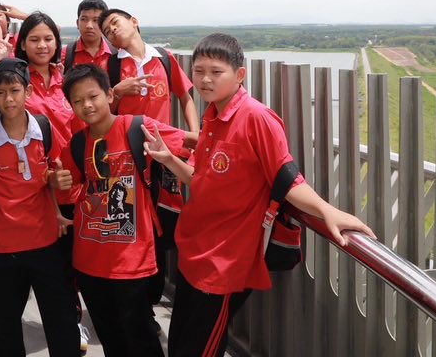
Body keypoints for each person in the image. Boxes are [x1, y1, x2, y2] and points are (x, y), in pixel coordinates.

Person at [143, 33, 375, 357]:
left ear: (239, 74)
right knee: (181, 343)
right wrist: (169, 159)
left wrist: (327, 211)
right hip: (195, 250)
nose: (205, 79)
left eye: (216, 71)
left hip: (224, 261)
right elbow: (200, 181)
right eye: (199, 71)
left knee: (199, 350)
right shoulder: (212, 114)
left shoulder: (256, 118)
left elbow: (287, 178)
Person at [0, 11, 90, 353]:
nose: (9, 99)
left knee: (60, 312)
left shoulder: (47, 119)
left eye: (15, 91)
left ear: (27, 92)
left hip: (47, 227)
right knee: (3, 319)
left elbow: (53, 168)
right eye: (1, 93)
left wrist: (57, 182)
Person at [57, 64, 198, 357]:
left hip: (132, 260)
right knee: (112, 340)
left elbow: (191, 143)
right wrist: (55, 180)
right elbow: (63, 185)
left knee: (142, 339)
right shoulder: (78, 143)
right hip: (89, 260)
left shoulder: (137, 127)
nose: (87, 105)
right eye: (77, 101)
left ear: (110, 95)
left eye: (93, 96)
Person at [98, 7, 199, 319]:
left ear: (134, 22)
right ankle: (133, 305)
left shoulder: (163, 59)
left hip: (163, 158)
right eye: (107, 31)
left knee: (161, 226)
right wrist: (116, 91)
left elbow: (185, 97)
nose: (112, 32)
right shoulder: (110, 66)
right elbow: (99, 114)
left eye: (114, 23)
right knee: (127, 228)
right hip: (125, 160)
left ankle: (149, 303)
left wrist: (195, 135)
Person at [62, 0, 114, 71]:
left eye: (96, 20)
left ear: (104, 24)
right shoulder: (66, 54)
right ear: (77, 23)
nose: (89, 26)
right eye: (84, 19)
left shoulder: (117, 55)